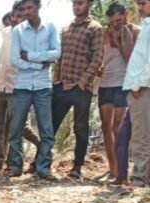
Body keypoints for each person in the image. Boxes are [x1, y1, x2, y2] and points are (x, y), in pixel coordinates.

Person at [7, 0, 60, 180]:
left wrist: (29, 56)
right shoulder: (18, 31)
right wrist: (39, 65)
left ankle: (44, 168)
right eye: (24, 9)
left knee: (46, 129)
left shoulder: (51, 26)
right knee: (16, 128)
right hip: (22, 85)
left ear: (38, 7)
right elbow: (15, 59)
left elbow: (56, 53)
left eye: (30, 8)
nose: (27, 12)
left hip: (43, 86)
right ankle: (15, 166)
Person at [52, 0, 104, 179]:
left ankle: (77, 167)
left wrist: (83, 81)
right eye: (74, 3)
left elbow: (98, 57)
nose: (76, 6)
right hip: (62, 85)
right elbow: (60, 55)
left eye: (80, 3)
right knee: (50, 125)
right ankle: (40, 162)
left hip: (81, 88)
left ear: (89, 4)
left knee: (80, 128)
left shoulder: (95, 28)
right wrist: (56, 79)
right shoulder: (66, 27)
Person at [0, 2, 42, 171]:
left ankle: (16, 162)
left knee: (18, 127)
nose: (16, 19)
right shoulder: (3, 33)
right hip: (0, 84)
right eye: (15, 16)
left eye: (20, 16)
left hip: (19, 87)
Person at [99, 2, 135, 181]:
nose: (116, 25)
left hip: (123, 82)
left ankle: (123, 171)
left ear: (126, 15)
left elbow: (131, 58)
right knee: (106, 127)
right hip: (105, 82)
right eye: (112, 22)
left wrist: (119, 41)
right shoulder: (104, 33)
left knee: (118, 128)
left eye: (119, 21)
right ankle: (112, 169)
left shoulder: (135, 32)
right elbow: (102, 55)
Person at [123, 0, 150, 186]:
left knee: (141, 136)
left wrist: (137, 85)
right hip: (140, 87)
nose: (139, 8)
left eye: (143, 3)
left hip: (143, 89)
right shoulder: (146, 26)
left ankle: (140, 178)